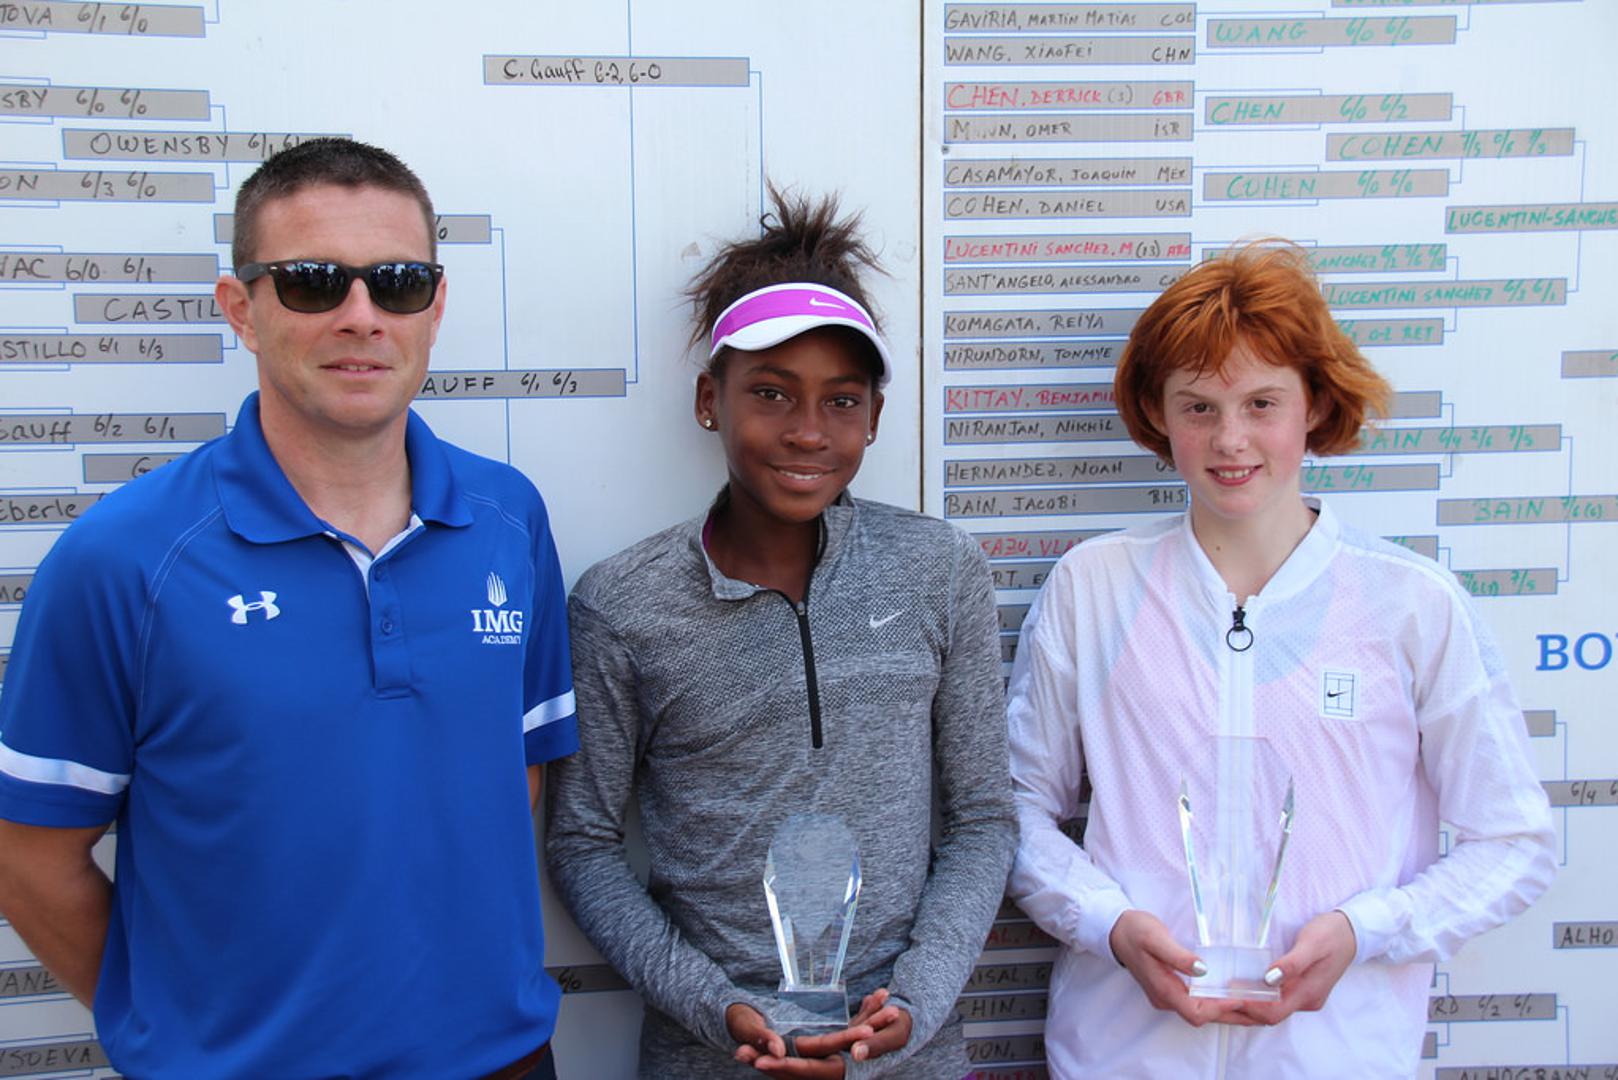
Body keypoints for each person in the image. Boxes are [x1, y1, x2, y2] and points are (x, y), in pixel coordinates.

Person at [0, 138, 577, 1079]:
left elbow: (512, 777)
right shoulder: (121, 559)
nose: (361, 316)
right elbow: (30, 861)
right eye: (313, 282)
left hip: (503, 1061)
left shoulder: (509, 520)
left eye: (396, 283)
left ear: (435, 306)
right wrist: (185, 1036)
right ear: (242, 308)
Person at [1006, 241, 1557, 1078]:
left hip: (1339, 1055)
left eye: (1261, 403)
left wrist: (1368, 930)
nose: (1230, 440)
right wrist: (1107, 923)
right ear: (1158, 413)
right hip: (1123, 1056)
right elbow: (1014, 812)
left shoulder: (1411, 602)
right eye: (1198, 407)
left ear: (1314, 404)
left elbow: (1513, 841)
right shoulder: (1094, 586)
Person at [545, 189, 1014, 1079]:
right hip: (710, 1057)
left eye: (841, 400)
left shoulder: (939, 570)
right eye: (770, 393)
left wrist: (912, 1004)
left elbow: (984, 819)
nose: (806, 432)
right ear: (709, 400)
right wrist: (715, 1005)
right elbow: (583, 845)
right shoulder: (621, 605)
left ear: (875, 416)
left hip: (909, 1055)